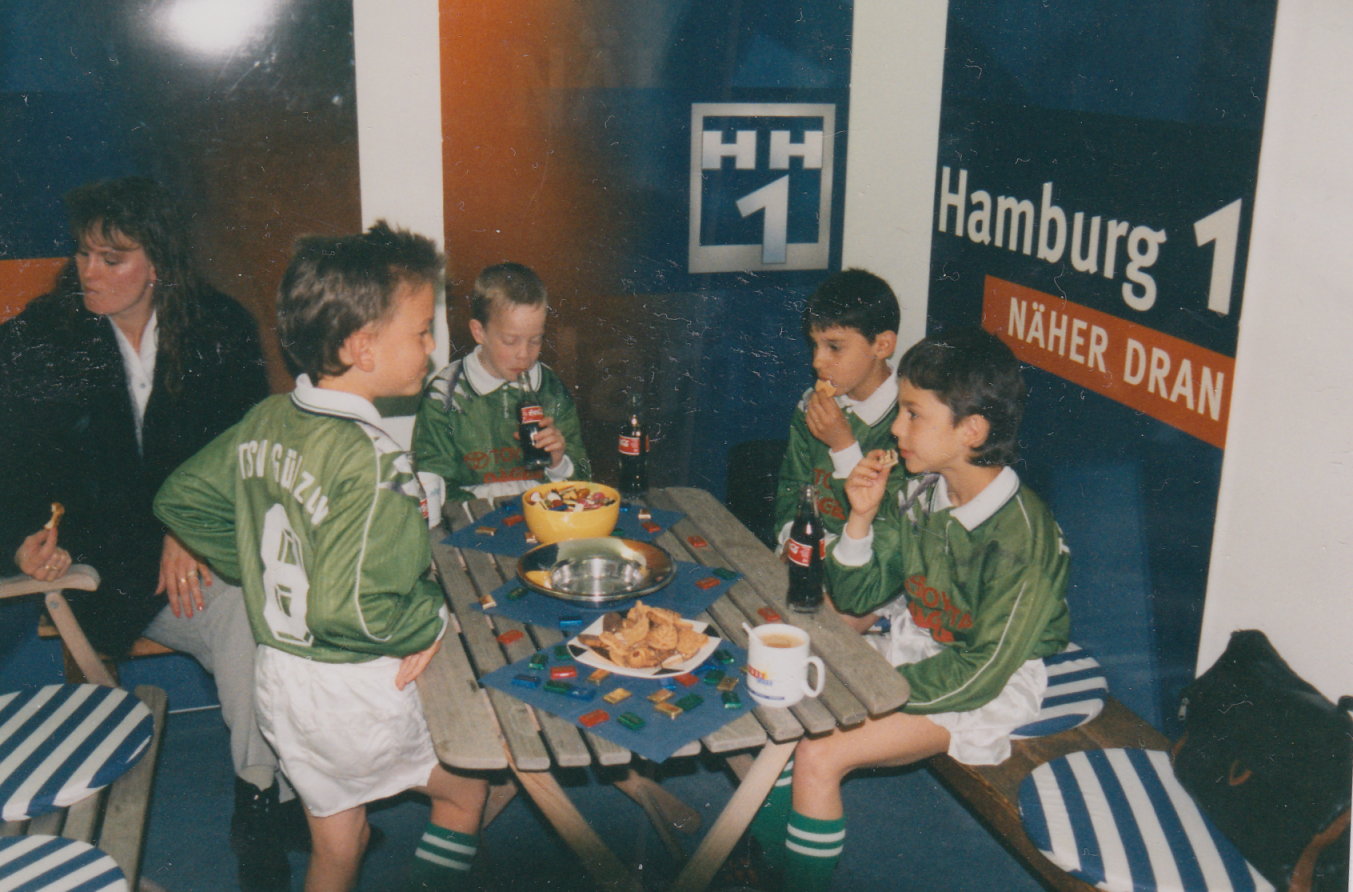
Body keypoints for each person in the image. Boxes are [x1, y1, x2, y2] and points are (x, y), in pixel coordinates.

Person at [154, 221, 489, 891]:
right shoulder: (375, 461)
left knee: (339, 842)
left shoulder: (268, 418)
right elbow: (351, 612)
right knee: (466, 791)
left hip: (281, 686)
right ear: (363, 347)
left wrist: (254, 565)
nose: (432, 346)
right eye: (421, 331)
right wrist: (433, 620)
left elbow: (181, 498)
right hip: (353, 694)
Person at [0, 177, 294, 889]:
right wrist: (22, 539)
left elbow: (247, 451)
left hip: (198, 556)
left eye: (113, 258)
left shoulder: (218, 327)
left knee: (247, 615)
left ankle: (258, 803)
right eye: (83, 254)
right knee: (248, 621)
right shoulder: (42, 338)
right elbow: (11, 464)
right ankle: (275, 800)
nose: (89, 272)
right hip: (104, 564)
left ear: (158, 260)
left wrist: (190, 526)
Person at [748, 327, 1071, 891]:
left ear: (972, 430)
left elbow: (982, 670)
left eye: (913, 414)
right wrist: (860, 518)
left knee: (820, 752)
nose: (896, 429)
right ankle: (773, 862)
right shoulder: (922, 489)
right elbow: (859, 596)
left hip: (986, 684)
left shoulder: (1022, 536)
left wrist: (875, 691)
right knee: (785, 696)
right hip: (917, 644)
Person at [412, 261, 590, 501]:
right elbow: (433, 488)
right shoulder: (444, 396)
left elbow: (583, 483)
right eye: (510, 341)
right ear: (479, 332)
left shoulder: (550, 389)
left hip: (543, 511)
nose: (524, 354)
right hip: (473, 516)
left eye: (535, 340)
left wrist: (559, 463)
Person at [772, 268, 905, 549]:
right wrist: (792, 542)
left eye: (834, 347)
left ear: (882, 345)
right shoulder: (812, 404)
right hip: (807, 553)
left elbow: (888, 530)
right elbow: (791, 492)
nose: (817, 362)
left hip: (861, 565)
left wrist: (843, 446)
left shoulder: (908, 422)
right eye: (815, 345)